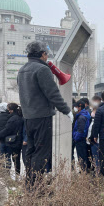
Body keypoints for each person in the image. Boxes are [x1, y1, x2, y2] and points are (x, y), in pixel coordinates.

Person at [17, 41, 72, 185]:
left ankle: (29, 183)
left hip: (28, 117)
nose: (47, 57)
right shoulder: (42, 69)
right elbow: (53, 94)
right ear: (42, 54)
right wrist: (66, 110)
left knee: (31, 150)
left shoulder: (22, 70)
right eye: (46, 54)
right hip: (42, 117)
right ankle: (36, 187)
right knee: (42, 152)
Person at [0, 103, 23, 175]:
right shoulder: (19, 117)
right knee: (13, 158)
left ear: (11, 110)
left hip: (13, 141)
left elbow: (7, 130)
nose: (8, 110)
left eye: (8, 109)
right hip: (17, 140)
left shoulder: (12, 119)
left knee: (11, 158)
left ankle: (13, 174)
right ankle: (14, 174)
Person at [73, 100, 91, 171]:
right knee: (83, 155)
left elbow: (81, 130)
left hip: (80, 139)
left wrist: (76, 138)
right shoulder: (84, 114)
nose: (75, 108)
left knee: (81, 156)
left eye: (76, 106)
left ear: (80, 107)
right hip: (82, 138)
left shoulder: (81, 117)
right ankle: (85, 169)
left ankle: (84, 171)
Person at [88, 96, 102, 170]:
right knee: (94, 156)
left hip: (97, 137)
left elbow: (96, 126)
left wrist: (94, 136)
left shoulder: (100, 110)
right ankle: (96, 169)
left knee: (98, 156)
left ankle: (98, 171)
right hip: (93, 137)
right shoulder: (91, 110)